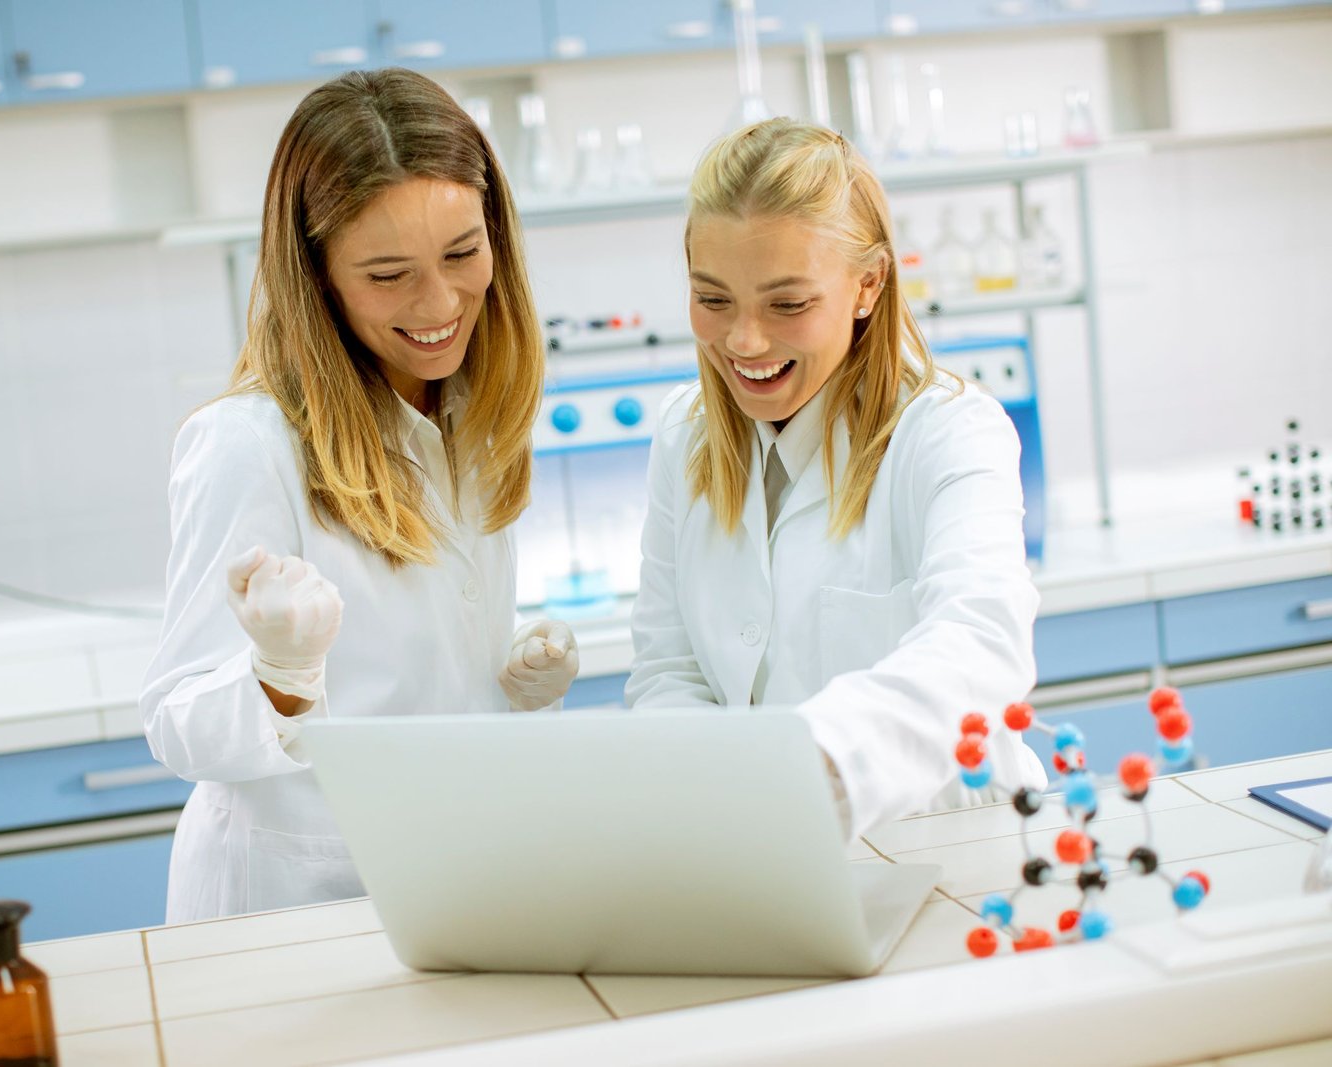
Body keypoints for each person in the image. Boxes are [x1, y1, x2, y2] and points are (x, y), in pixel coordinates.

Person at [141, 68, 580, 923]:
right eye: (388, 274)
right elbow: (175, 717)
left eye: (463, 253)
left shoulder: (468, 413)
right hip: (298, 904)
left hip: (455, 882)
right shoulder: (249, 442)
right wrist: (279, 677)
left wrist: (515, 694)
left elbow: (412, 690)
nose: (441, 302)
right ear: (319, 278)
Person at [626, 119, 1045, 838]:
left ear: (868, 284)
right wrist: (714, 795)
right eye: (713, 299)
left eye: (788, 304)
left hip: (956, 850)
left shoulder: (948, 430)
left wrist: (804, 761)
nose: (745, 341)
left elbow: (981, 641)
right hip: (766, 852)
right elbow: (670, 671)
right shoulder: (684, 432)